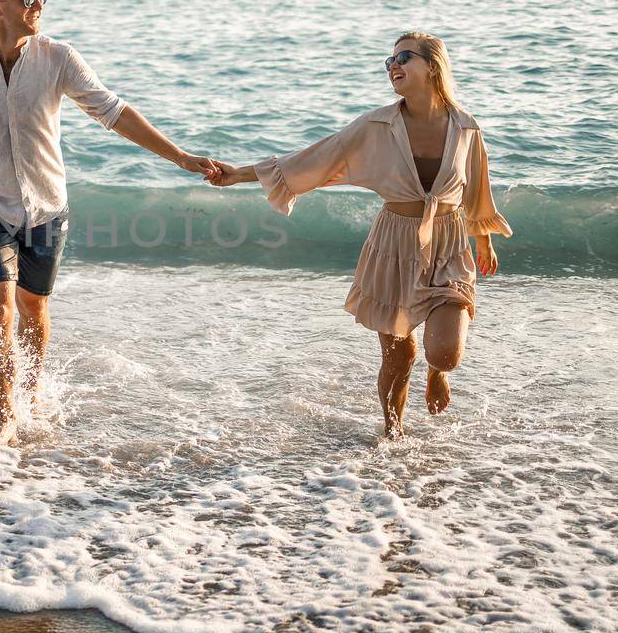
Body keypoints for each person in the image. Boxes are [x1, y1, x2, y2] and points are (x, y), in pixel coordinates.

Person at [0, 0, 221, 448]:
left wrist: (178, 156)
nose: (38, 5)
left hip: (48, 206)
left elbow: (113, 112)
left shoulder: (59, 58)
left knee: (33, 307)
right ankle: (6, 413)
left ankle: (30, 393)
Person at [206, 32, 511, 439]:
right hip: (393, 245)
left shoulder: (466, 127)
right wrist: (238, 174)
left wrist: (484, 236)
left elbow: (475, 188)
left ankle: (437, 374)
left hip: (448, 244)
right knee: (398, 356)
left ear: (433, 66)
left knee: (445, 352)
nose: (393, 66)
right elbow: (312, 159)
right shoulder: (375, 125)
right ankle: (392, 435)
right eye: (388, 62)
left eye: (403, 57)